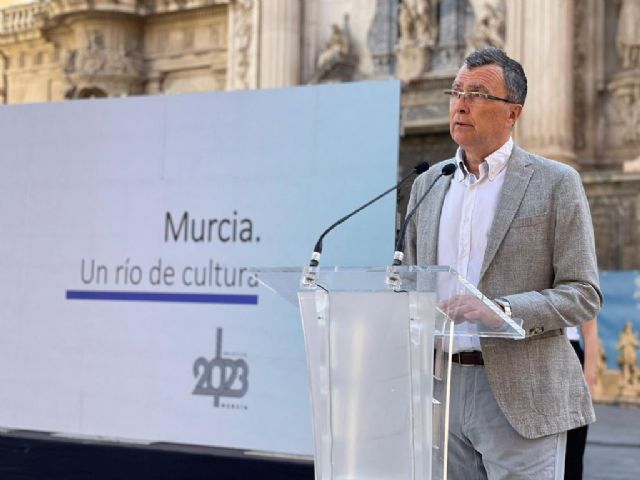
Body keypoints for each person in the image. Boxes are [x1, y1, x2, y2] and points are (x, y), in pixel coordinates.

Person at [404, 47, 602, 479]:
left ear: (513, 113)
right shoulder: (427, 184)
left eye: (477, 94)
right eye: (456, 91)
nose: (461, 104)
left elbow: (584, 294)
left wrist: (503, 310)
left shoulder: (556, 183)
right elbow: (413, 284)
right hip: (441, 389)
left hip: (521, 394)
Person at [565, 319, 599, 480]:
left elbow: (590, 330)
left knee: (572, 450)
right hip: (526, 355)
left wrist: (589, 383)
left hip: (569, 356)